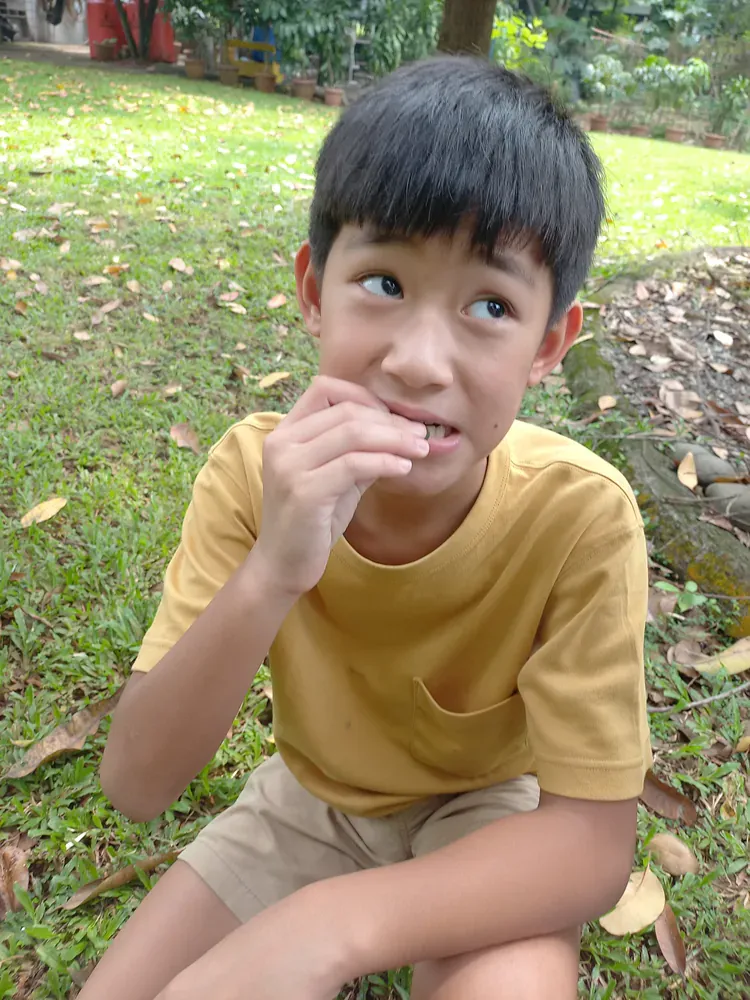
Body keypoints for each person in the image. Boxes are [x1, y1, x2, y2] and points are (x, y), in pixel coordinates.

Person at [80, 55, 652, 1000]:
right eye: (383, 282)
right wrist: (273, 571)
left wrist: (333, 925)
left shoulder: (579, 517)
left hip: (490, 816)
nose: (422, 362)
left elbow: (590, 847)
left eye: (490, 306)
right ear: (313, 288)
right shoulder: (252, 477)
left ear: (551, 343)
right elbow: (137, 786)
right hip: (308, 805)